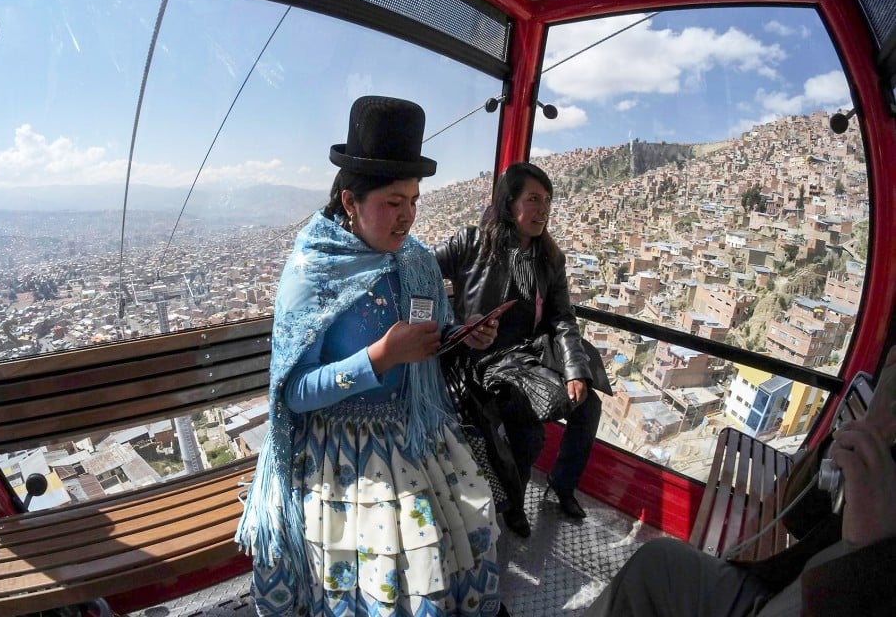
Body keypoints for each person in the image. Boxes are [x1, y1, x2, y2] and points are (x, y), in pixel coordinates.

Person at [235, 95, 506, 617]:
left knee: (467, 518)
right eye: (392, 203)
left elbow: (429, 334)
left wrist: (460, 336)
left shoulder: (416, 261)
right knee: (396, 550)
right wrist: (379, 358)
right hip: (336, 443)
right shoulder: (313, 271)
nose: (407, 218)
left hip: (409, 427)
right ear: (349, 202)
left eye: (413, 201)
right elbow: (294, 391)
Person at [583, 344, 896, 616]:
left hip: (831, 595)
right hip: (789, 589)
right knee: (659, 560)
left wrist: (866, 549)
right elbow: (797, 513)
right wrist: (864, 435)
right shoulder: (881, 465)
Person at [434, 161, 611, 536]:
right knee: (529, 433)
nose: (543, 209)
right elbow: (419, 275)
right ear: (508, 203)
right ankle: (514, 502)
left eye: (547, 200)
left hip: (529, 356)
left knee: (588, 405)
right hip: (480, 361)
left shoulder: (550, 259)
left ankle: (561, 486)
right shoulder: (471, 243)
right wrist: (455, 329)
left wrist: (576, 369)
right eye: (533, 199)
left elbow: (562, 318)